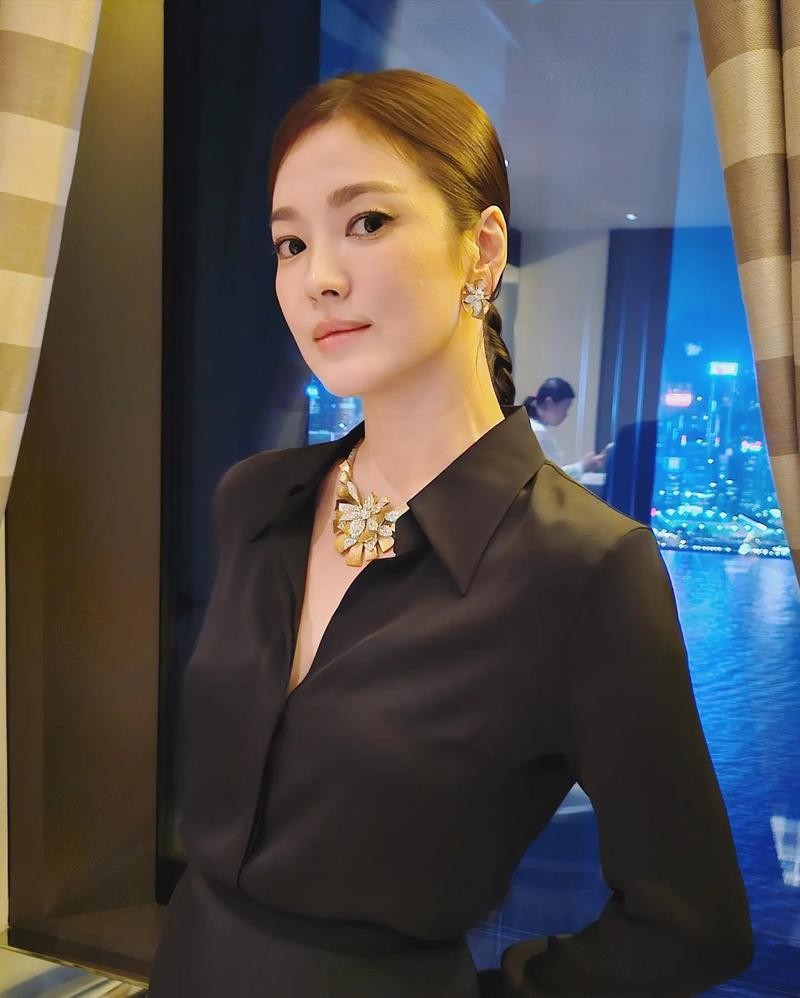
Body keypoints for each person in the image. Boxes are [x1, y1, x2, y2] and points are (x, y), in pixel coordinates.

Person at [147, 68, 753, 997]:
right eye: (290, 242)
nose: (319, 278)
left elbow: (692, 926)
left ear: (482, 250)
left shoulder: (582, 568)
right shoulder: (257, 500)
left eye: (367, 222)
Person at [523, 380, 611, 481]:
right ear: (549, 403)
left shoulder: (530, 427)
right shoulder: (538, 433)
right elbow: (551, 477)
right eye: (564, 408)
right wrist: (583, 466)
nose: (566, 414)